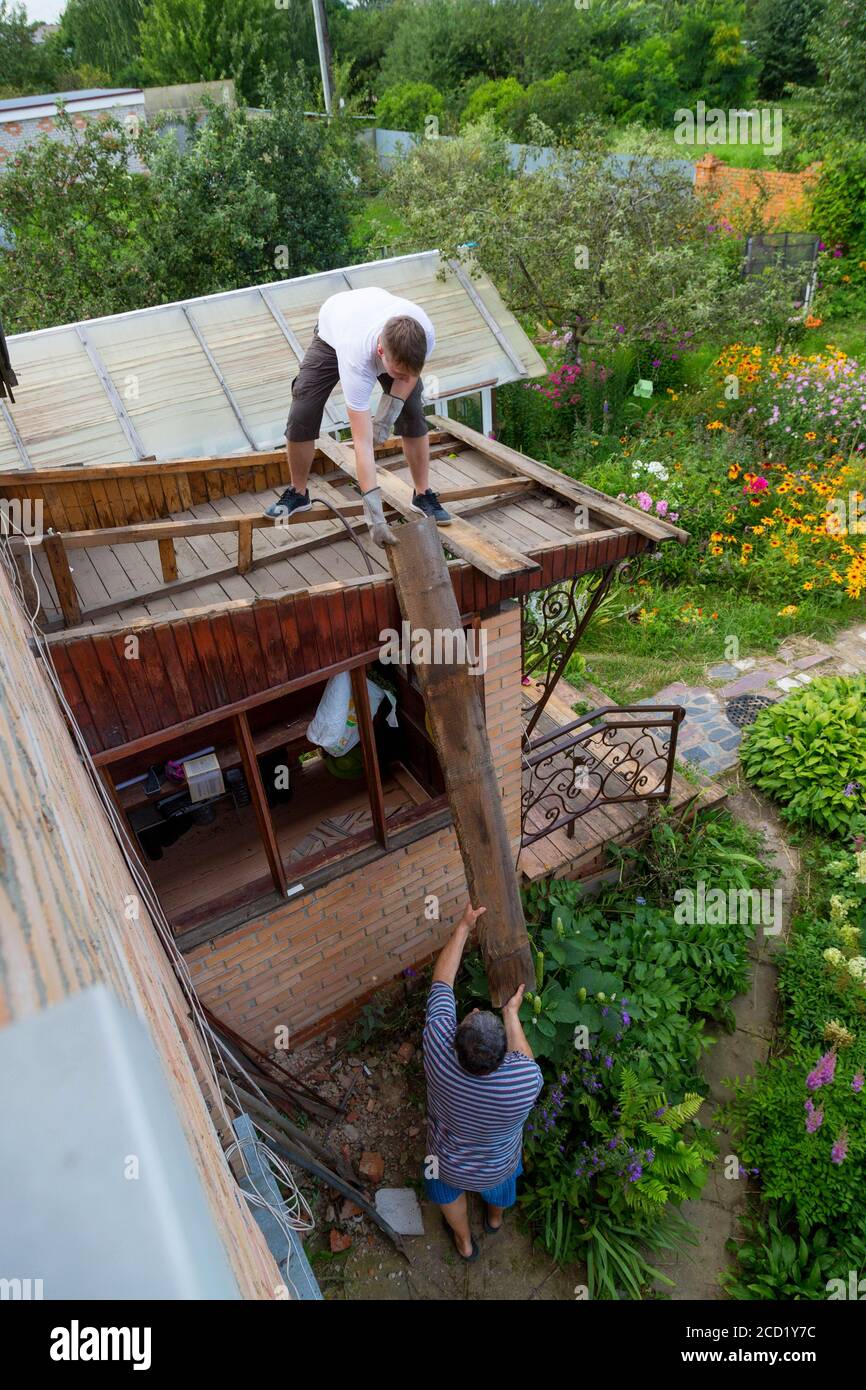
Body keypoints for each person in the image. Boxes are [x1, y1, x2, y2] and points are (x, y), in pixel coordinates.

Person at [265, 285, 452, 545]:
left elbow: (410, 375)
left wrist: (387, 415)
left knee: (412, 411)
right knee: (303, 409)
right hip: (334, 332)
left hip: (371, 315)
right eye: (398, 373)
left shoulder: (424, 333)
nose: (404, 379)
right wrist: (375, 516)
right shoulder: (355, 358)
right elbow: (362, 444)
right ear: (380, 354)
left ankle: (423, 494)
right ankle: (298, 493)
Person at [422, 902, 542, 1261]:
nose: (473, 1010)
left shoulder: (436, 1048)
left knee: (444, 1192)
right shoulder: (523, 1082)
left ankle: (464, 1243)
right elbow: (526, 1058)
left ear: (456, 1040)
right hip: (497, 1165)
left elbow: (441, 981)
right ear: (501, 1054)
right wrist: (510, 1014)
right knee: (501, 1189)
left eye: (471, 1015)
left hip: (448, 1163)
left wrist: (463, 927)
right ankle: (493, 1220)